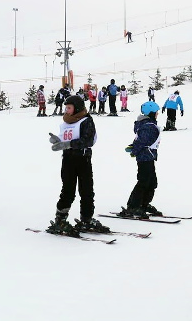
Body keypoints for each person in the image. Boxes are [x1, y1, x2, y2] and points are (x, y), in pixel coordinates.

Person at [45, 95, 109, 236]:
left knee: (86, 191)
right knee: (67, 190)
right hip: (68, 160)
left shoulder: (86, 120)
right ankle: (60, 219)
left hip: (83, 160)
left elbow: (88, 140)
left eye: (69, 108)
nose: (66, 111)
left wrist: (68, 144)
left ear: (77, 108)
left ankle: (86, 219)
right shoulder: (65, 122)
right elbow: (65, 137)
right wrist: (57, 140)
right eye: (66, 108)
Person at [119, 101, 163, 219]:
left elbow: (141, 140)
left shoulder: (148, 125)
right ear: (151, 113)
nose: (158, 114)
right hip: (144, 157)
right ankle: (133, 206)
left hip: (149, 156)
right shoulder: (148, 126)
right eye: (156, 112)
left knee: (152, 182)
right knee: (144, 181)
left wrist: (134, 148)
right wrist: (135, 150)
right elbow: (142, 141)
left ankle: (143, 204)